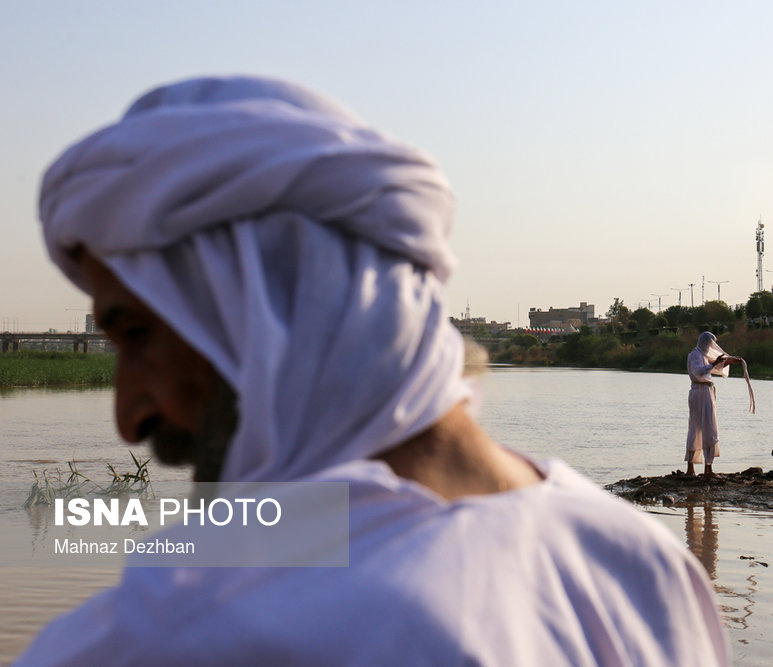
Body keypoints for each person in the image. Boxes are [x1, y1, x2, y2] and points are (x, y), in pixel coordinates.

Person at [18, 76, 730, 665]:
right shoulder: (643, 568)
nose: (128, 414)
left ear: (265, 304)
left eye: (138, 334)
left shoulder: (185, 630)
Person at [685, 332, 743, 478]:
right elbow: (698, 371)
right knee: (696, 428)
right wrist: (715, 363)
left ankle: (708, 468)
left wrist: (728, 362)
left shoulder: (703, 356)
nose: (711, 346)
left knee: (709, 428)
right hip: (699, 393)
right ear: (705, 343)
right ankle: (691, 468)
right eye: (710, 343)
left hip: (706, 393)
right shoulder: (695, 355)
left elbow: (714, 367)